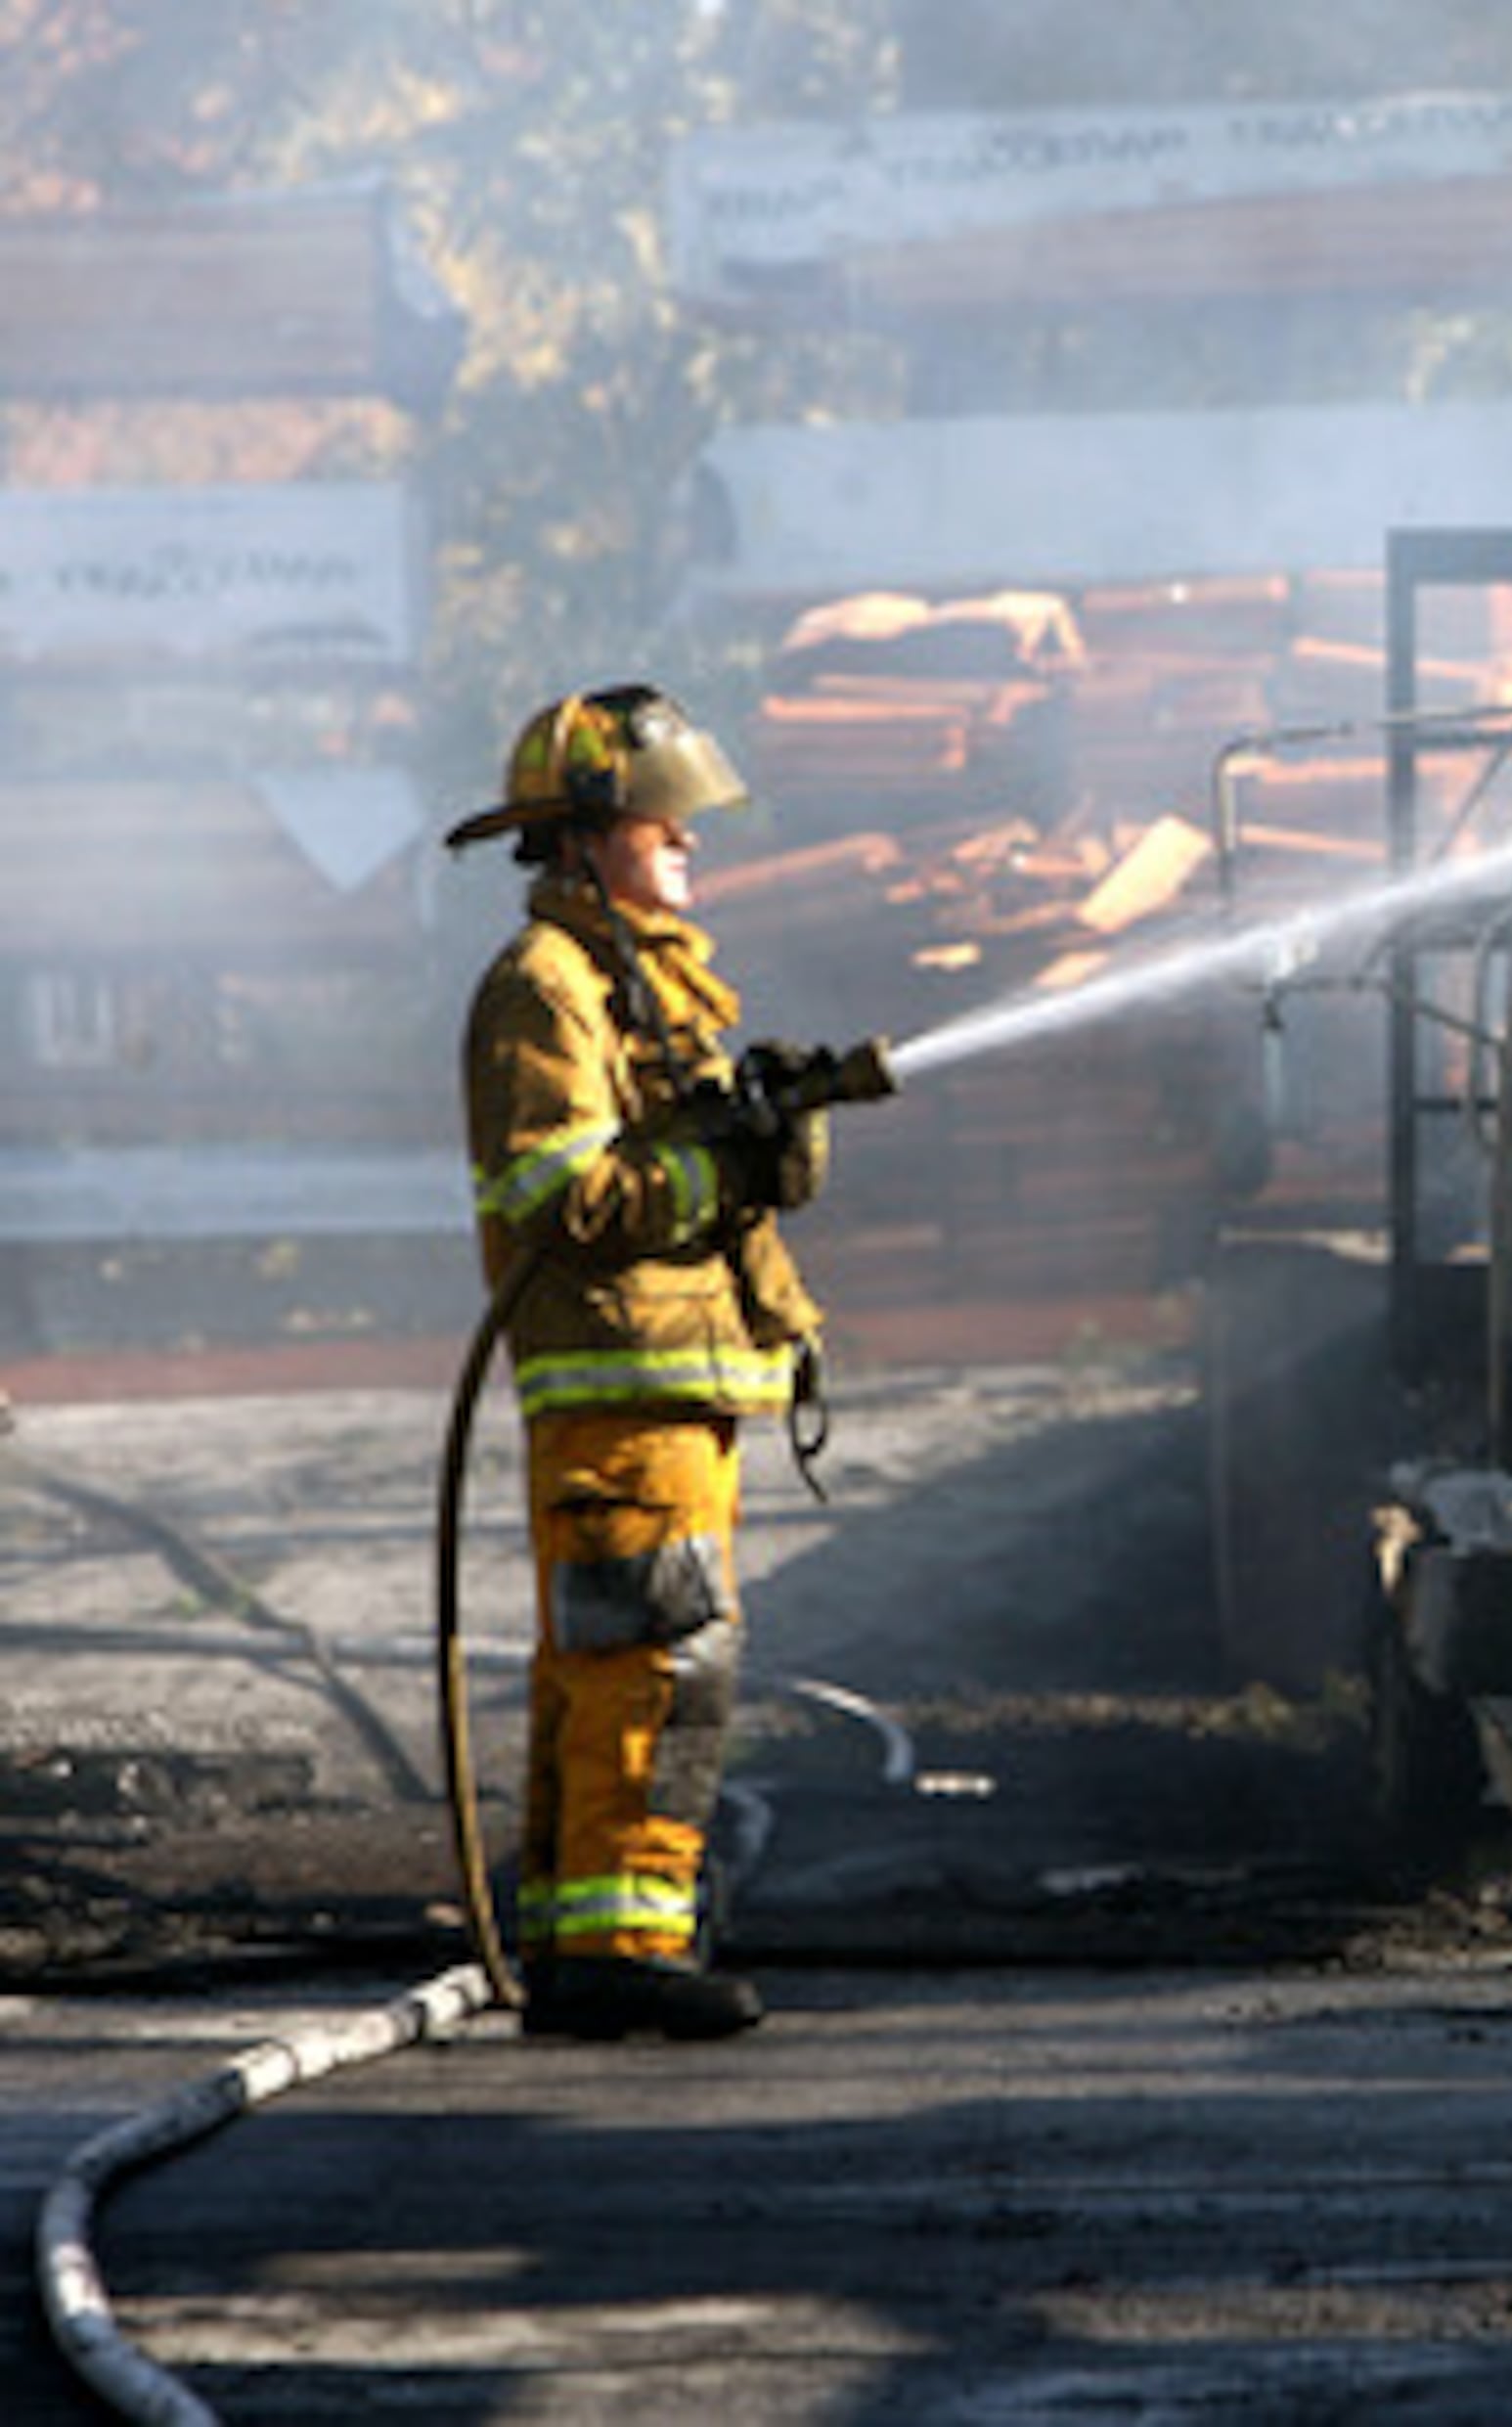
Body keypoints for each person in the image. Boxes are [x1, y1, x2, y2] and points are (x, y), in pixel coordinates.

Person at [447, 684, 831, 2041]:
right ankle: (616, 1944)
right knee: (654, 1661)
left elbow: (687, 1172)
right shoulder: (544, 991)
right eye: (665, 821)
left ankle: (582, 1933)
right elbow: (568, 1198)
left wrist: (771, 1131)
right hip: (619, 1388)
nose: (690, 844)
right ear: (585, 837)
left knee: (620, 1656)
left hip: (667, 1386)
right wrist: (712, 1157)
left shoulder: (636, 978)